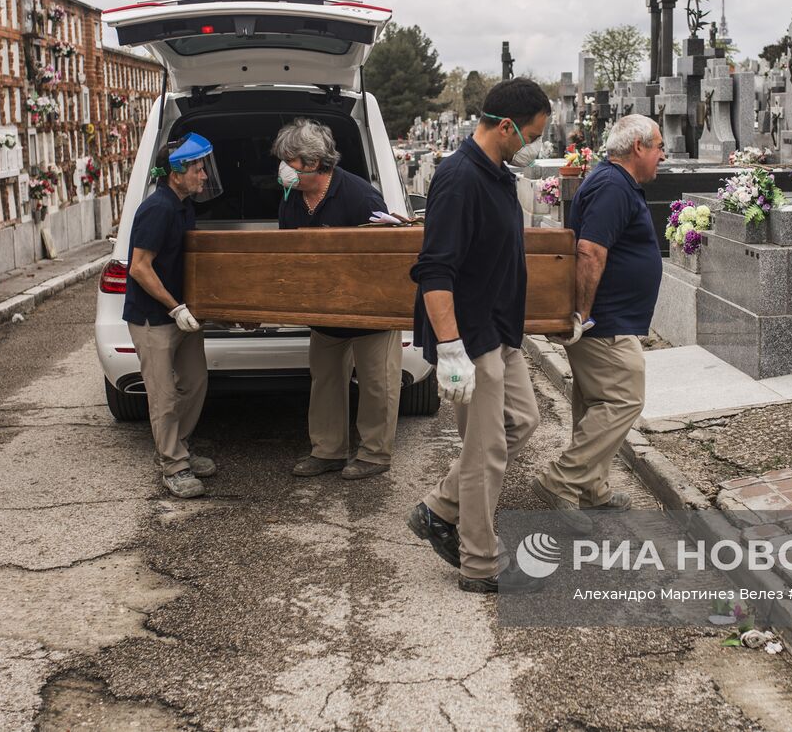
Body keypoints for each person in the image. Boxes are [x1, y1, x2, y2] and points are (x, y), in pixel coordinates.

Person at [405, 78, 550, 594]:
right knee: (485, 449)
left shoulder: (496, 173)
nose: (529, 145)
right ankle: (480, 563)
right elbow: (435, 270)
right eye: (529, 135)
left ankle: (438, 506)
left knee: (522, 422)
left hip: (500, 329)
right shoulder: (459, 176)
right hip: (469, 336)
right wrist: (449, 350)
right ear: (506, 126)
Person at [532, 114, 665, 525]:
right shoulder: (611, 184)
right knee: (624, 400)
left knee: (594, 404)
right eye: (659, 146)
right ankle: (562, 479)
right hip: (605, 321)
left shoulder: (614, 181)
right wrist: (583, 315)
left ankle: (593, 489)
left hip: (608, 317)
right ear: (638, 147)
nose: (663, 155)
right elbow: (590, 250)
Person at [274, 118, 403, 481]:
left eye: (289, 160)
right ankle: (328, 451)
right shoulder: (291, 200)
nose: (282, 168)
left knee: (378, 383)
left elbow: (383, 257)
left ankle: (375, 454)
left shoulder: (361, 196)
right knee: (325, 380)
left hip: (369, 314)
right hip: (325, 313)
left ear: (313, 163)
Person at [124, 133, 222, 498]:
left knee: (195, 381)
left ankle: (177, 445)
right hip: (154, 318)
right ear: (177, 173)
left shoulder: (183, 205)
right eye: (198, 169)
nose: (205, 177)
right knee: (163, 395)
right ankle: (174, 465)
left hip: (180, 314)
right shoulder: (159, 208)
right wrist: (175, 307)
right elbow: (139, 267)